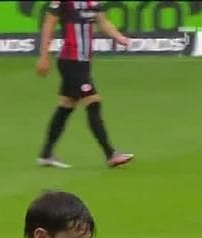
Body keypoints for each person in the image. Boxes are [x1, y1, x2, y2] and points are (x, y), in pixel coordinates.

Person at [36, 0, 134, 168]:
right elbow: (49, 24)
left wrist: (119, 37)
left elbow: (103, 21)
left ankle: (46, 154)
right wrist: (44, 56)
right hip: (70, 61)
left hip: (84, 62)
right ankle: (111, 154)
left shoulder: (92, 2)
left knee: (66, 106)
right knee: (93, 102)